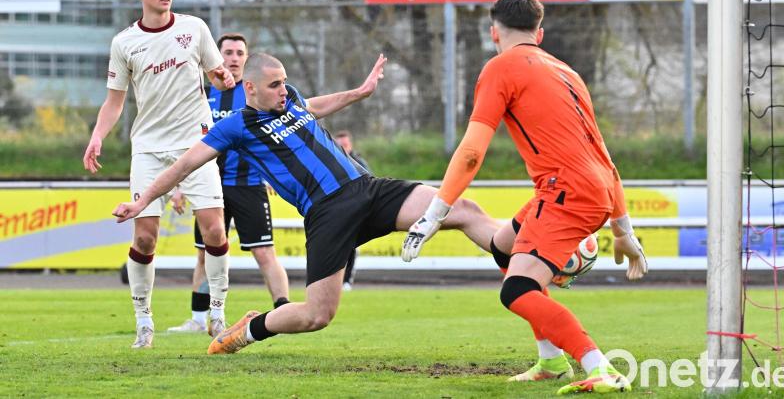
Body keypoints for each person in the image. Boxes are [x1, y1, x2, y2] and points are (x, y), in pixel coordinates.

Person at [111, 52, 501, 357]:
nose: (284, 89)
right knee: (317, 316)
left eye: (284, 83)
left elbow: (312, 105)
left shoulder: (292, 99)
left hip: (368, 189)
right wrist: (143, 200)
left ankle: (538, 256)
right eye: (275, 84)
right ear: (251, 88)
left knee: (461, 208)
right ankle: (249, 329)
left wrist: (358, 93)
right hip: (327, 213)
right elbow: (184, 164)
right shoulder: (236, 127)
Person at [402, 0, 648, 394]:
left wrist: (434, 213)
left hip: (565, 190)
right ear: (540, 32)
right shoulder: (567, 71)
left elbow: (471, 153)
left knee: (517, 290)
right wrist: (623, 230)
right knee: (503, 246)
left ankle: (598, 366)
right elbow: (603, 156)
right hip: (594, 186)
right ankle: (551, 360)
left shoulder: (500, 67)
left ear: (493, 32)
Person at [83, 0, 236, 349]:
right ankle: (144, 322)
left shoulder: (194, 28)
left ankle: (217, 314)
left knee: (215, 229)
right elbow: (114, 102)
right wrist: (98, 135)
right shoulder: (124, 43)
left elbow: (217, 73)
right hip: (149, 149)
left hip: (197, 144)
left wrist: (222, 76)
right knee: (146, 238)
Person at [167, 33, 291, 335]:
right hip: (210, 186)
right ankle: (198, 319)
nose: (234, 58)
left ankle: (285, 313)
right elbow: (189, 142)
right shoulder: (205, 95)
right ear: (218, 57)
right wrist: (180, 185)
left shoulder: (256, 93)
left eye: (240, 53)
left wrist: (272, 171)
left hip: (249, 184)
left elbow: (277, 132)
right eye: (228, 52)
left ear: (247, 60)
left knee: (264, 252)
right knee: (204, 252)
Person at [333, 130, 371, 290]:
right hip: (335, 210)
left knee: (351, 246)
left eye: (346, 144)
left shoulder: (359, 162)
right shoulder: (330, 160)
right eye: (340, 144)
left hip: (354, 210)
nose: (343, 147)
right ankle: (333, 281)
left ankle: (347, 280)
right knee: (333, 247)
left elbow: (370, 182)